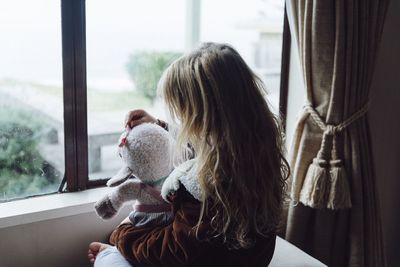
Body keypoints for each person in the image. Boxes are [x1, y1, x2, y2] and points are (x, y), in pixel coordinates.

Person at [88, 42, 289, 267]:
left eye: (184, 116)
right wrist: (159, 125)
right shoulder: (257, 153)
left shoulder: (204, 184)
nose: (183, 125)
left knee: (110, 259)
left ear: (202, 118)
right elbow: (201, 149)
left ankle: (110, 255)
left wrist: (122, 234)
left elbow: (171, 251)